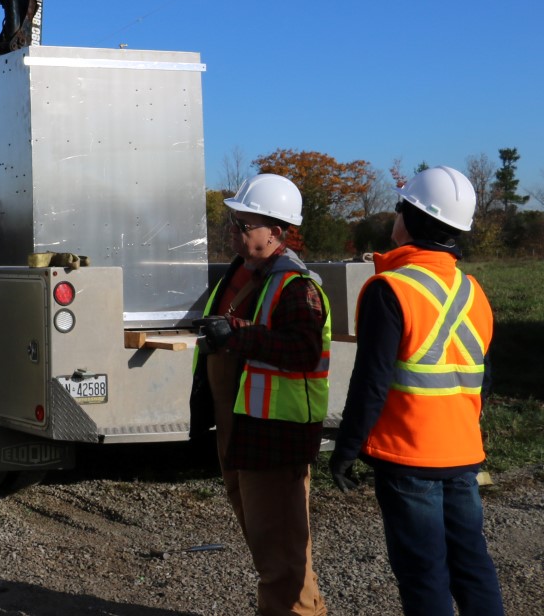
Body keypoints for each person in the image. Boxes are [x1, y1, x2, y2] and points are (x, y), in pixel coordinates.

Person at [329, 166, 504, 616]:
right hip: (463, 453)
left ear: (413, 218)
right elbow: (481, 378)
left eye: (400, 207)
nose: (395, 215)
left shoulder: (391, 288)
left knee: (423, 572)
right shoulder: (473, 291)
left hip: (409, 457)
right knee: (472, 565)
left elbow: (371, 379)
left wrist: (347, 446)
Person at [194, 173, 331, 616]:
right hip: (241, 432)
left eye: (243, 223)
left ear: (275, 232)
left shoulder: (297, 287)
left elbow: (304, 351)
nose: (233, 230)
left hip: (275, 438)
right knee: (272, 547)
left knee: (281, 560)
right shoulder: (241, 275)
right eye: (234, 221)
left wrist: (240, 335)